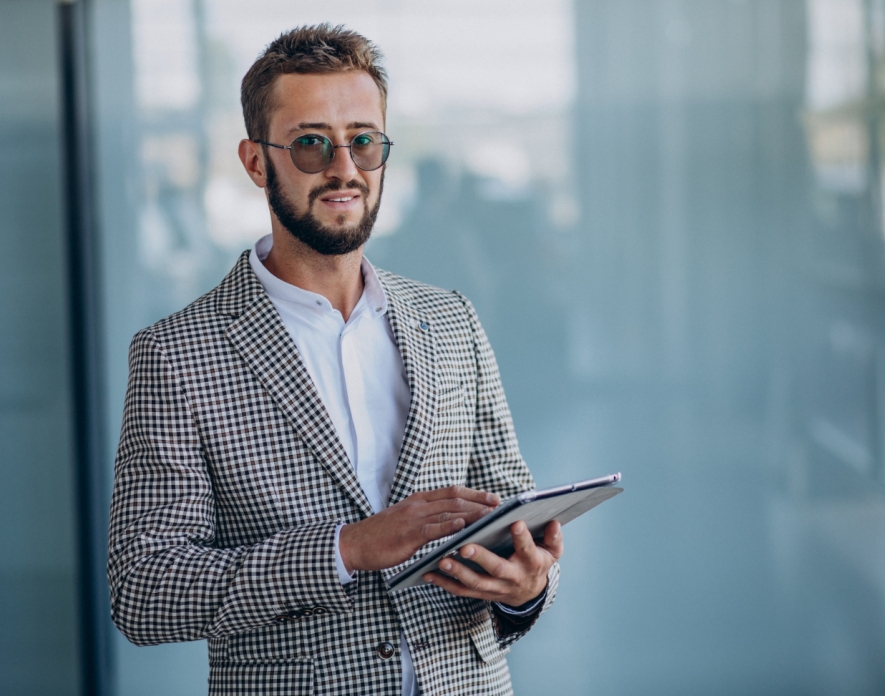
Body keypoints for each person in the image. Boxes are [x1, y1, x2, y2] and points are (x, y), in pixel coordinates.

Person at [107, 24, 563, 696]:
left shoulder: (451, 322)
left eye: (364, 141)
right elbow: (143, 591)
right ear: (257, 162)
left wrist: (526, 585)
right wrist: (346, 549)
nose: (344, 168)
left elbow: (511, 514)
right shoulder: (176, 354)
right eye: (312, 143)